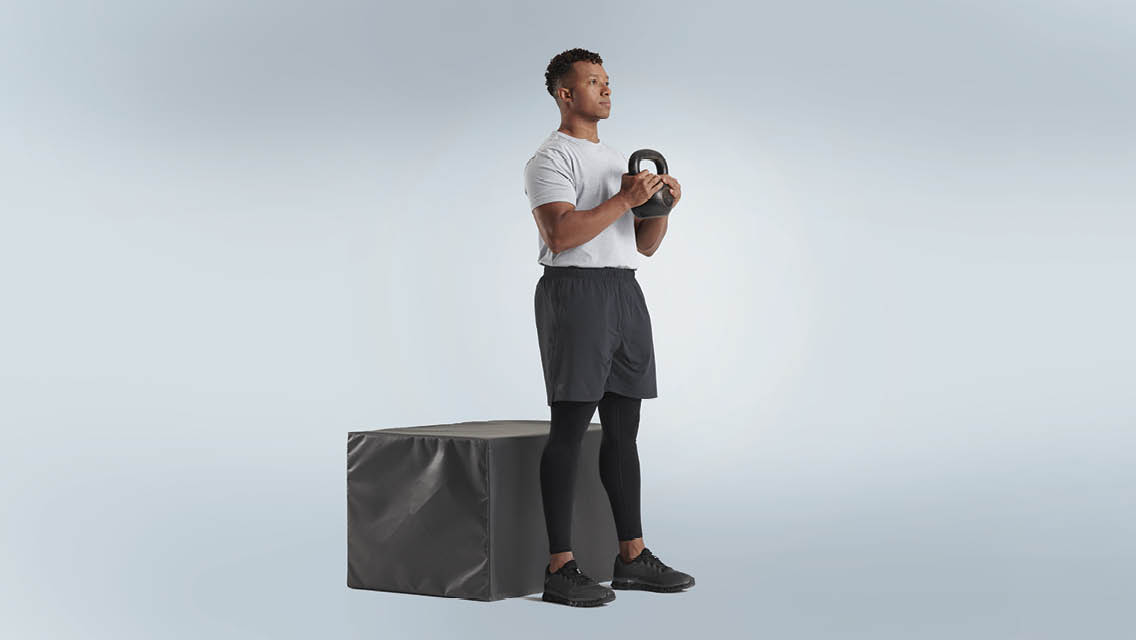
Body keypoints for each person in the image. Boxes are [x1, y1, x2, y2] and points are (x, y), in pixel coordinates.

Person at [523, 48, 695, 607]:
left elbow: (642, 246)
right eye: (593, 82)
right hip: (575, 293)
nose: (606, 90)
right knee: (570, 428)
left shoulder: (618, 157)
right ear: (564, 94)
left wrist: (662, 206)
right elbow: (561, 236)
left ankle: (632, 558)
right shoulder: (549, 159)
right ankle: (560, 567)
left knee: (624, 431)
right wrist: (625, 196)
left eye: (608, 81)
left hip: (624, 291)